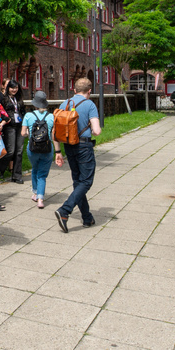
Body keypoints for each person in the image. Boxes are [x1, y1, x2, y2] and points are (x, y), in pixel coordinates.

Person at [53, 77, 101, 233]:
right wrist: (92, 127)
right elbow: (97, 131)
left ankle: (87, 217)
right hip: (84, 146)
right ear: (89, 91)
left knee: (78, 182)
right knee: (86, 182)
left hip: (68, 146)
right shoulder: (90, 105)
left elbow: (55, 131)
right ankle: (65, 210)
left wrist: (58, 152)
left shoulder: (64, 104)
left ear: (74, 90)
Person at [21, 91, 55, 208]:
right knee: (42, 174)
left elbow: (23, 133)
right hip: (47, 149)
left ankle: (35, 193)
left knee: (35, 169)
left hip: (32, 148)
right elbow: (54, 135)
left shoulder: (28, 116)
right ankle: (40, 199)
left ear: (34, 103)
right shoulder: (51, 117)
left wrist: (29, 132)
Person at [0, 79, 26, 184]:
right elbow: (0, 111)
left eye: (16, 88)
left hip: (19, 125)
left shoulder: (19, 98)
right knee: (10, 151)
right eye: (12, 88)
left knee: (19, 151)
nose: (14, 90)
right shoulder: (4, 98)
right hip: (9, 126)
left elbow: (23, 111)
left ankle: (17, 175)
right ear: (8, 88)